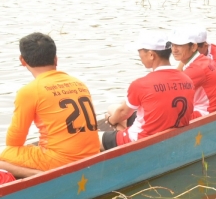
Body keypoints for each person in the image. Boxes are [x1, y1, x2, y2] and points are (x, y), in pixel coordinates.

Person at [0, 33, 100, 178]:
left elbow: (14, 141)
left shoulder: (29, 91)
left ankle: (37, 175)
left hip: (61, 161)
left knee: (4, 155)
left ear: (22, 60)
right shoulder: (79, 83)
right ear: (55, 59)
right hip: (92, 154)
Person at [101, 33, 195, 150]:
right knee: (113, 108)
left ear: (151, 55)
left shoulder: (141, 84)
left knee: (96, 136)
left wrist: (110, 121)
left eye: (140, 52)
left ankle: (120, 136)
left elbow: (123, 113)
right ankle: (120, 130)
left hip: (143, 139)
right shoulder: (187, 80)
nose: (139, 55)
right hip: (171, 133)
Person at [168, 27, 216, 117]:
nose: (174, 50)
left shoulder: (196, 69)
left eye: (179, 45)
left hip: (208, 114)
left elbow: (167, 92)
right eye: (172, 45)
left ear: (194, 47)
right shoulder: (204, 59)